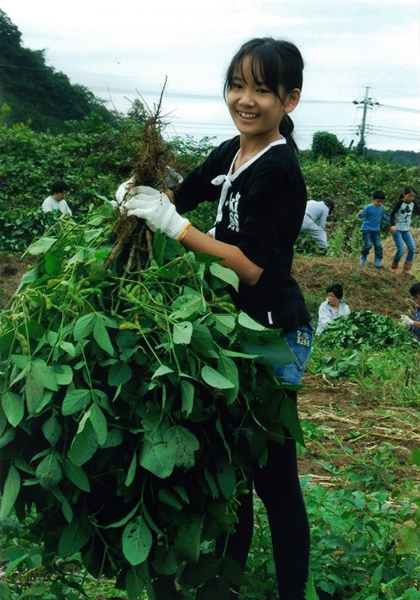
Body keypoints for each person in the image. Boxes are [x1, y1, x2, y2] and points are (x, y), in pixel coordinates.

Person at [119, 37, 312, 600]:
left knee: (274, 474)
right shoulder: (233, 151)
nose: (245, 99)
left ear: (289, 100)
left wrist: (173, 227)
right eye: (236, 85)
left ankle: (293, 594)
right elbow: (188, 190)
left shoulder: (278, 171)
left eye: (261, 89)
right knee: (233, 467)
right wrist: (147, 195)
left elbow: (252, 267)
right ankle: (225, 584)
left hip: (273, 329)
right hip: (231, 327)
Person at [389, 185, 419, 276]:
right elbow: (392, 215)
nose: (411, 198)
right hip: (397, 229)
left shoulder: (413, 203)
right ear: (404, 195)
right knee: (401, 249)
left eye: (413, 196)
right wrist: (393, 225)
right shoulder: (400, 203)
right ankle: (394, 267)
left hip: (406, 229)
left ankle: (406, 269)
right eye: (409, 196)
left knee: (412, 248)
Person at [358, 189, 389, 268]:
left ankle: (377, 261)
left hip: (376, 230)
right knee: (368, 244)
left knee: (378, 245)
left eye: (381, 202)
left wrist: (392, 221)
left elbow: (383, 216)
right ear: (374, 200)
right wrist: (360, 214)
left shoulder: (382, 208)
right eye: (378, 201)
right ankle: (363, 257)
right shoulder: (368, 207)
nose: (380, 203)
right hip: (367, 229)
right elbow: (362, 216)